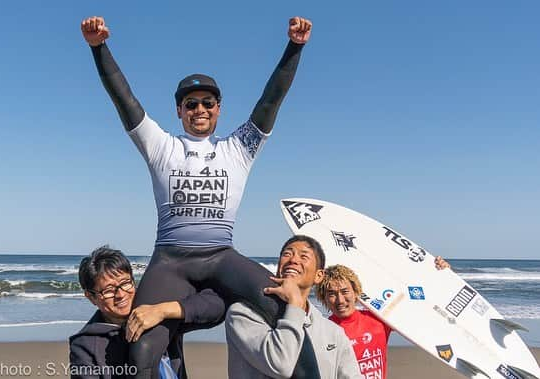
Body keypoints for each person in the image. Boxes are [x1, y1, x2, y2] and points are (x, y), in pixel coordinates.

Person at [81, 15, 315, 379]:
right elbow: (124, 100)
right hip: (170, 260)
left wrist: (295, 47)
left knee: (285, 309)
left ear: (219, 108)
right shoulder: (161, 147)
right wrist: (99, 48)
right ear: (179, 111)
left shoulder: (239, 149)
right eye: (191, 104)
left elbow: (271, 100)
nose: (200, 110)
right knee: (140, 345)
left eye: (208, 102)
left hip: (221, 256)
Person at [69, 246, 226, 379]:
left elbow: (217, 307)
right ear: (91, 297)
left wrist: (165, 311)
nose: (121, 294)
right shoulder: (84, 346)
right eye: (109, 290)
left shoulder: (156, 313)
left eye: (125, 283)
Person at [225, 235, 362, 379]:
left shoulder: (333, 332)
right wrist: (295, 304)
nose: (293, 260)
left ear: (319, 276)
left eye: (304, 256)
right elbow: (280, 364)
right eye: (287, 254)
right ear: (278, 267)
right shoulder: (243, 313)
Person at [316, 258, 451, 379]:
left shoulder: (378, 319)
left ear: (356, 292)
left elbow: (420, 310)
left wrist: (442, 277)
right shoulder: (323, 332)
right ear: (324, 298)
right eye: (332, 294)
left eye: (345, 292)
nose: (340, 300)